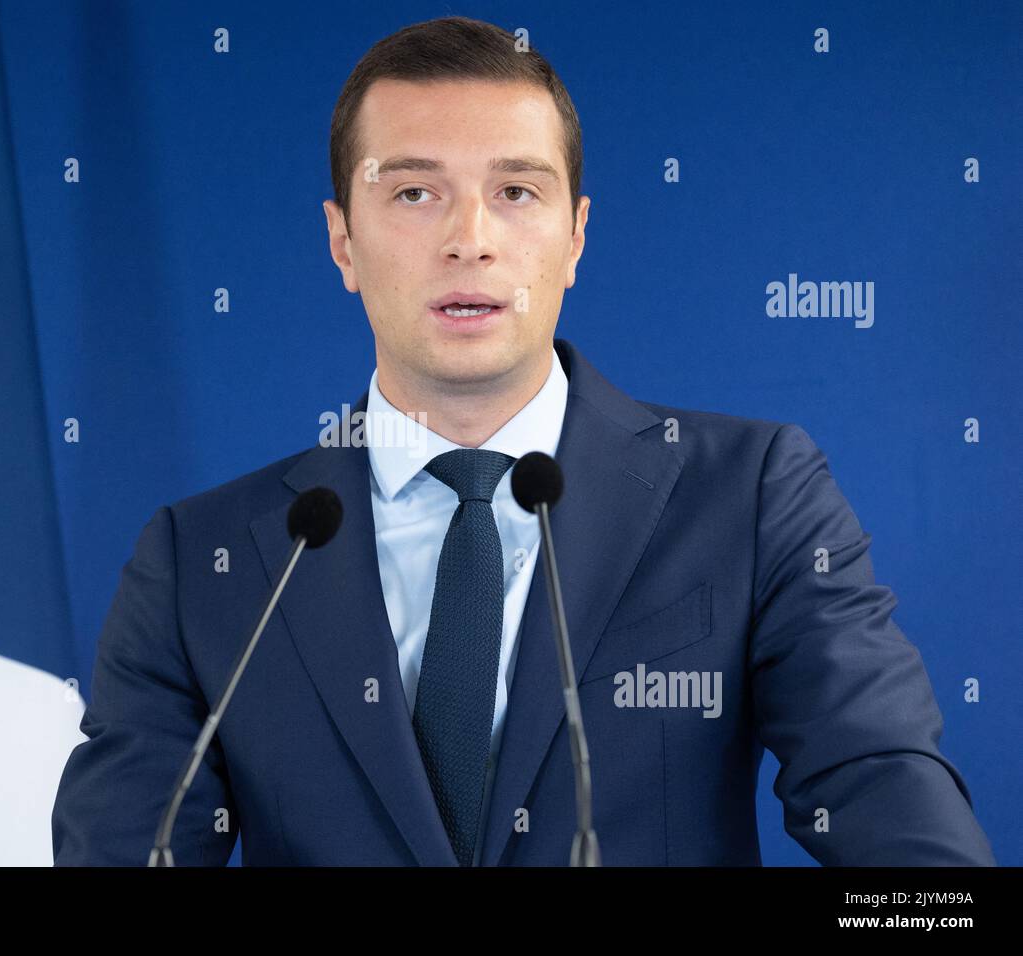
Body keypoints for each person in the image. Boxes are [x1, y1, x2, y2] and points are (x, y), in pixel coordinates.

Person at [51, 16, 995, 866]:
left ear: (576, 237)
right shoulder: (204, 562)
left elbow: (910, 849)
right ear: (342, 241)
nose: (470, 239)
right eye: (415, 192)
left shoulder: (750, 497)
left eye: (516, 191)